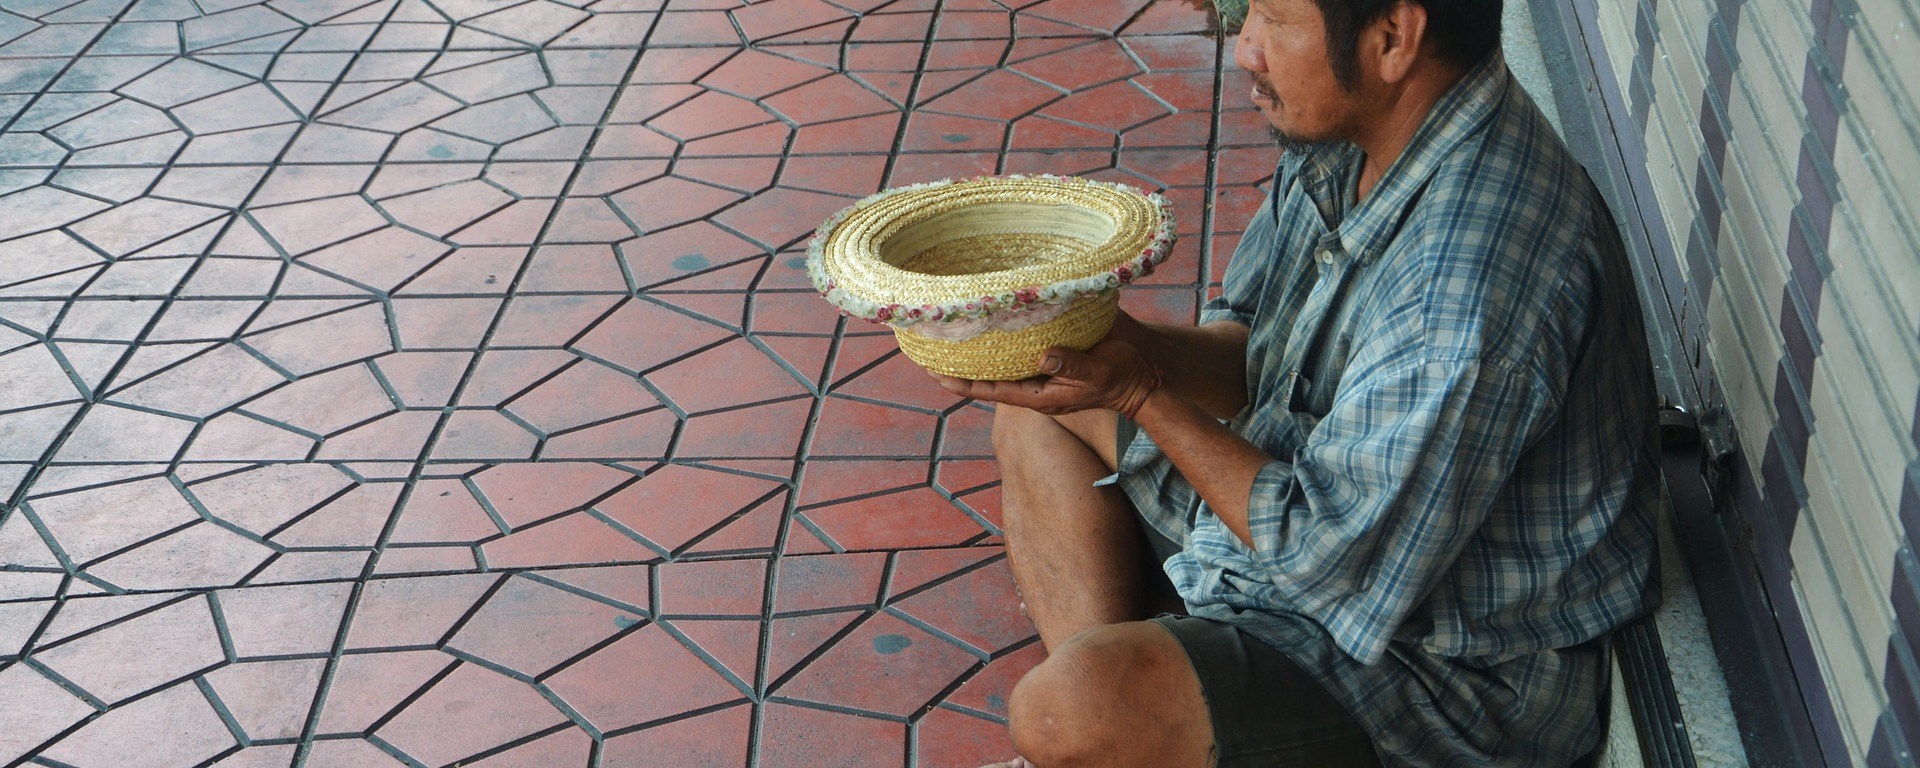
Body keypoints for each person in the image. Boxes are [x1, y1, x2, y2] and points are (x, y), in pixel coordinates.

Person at [931, 0, 1665, 765]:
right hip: (1311, 519)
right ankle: (1134, 733)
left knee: (1064, 714)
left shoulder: (1465, 295)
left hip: (1447, 666)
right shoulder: (1359, 138)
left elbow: (1331, 557)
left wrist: (1136, 395)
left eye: (1275, 19)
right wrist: (1112, 350)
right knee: (1041, 410)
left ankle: (1124, 724)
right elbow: (1251, 353)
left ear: (1392, 39)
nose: (1245, 47)